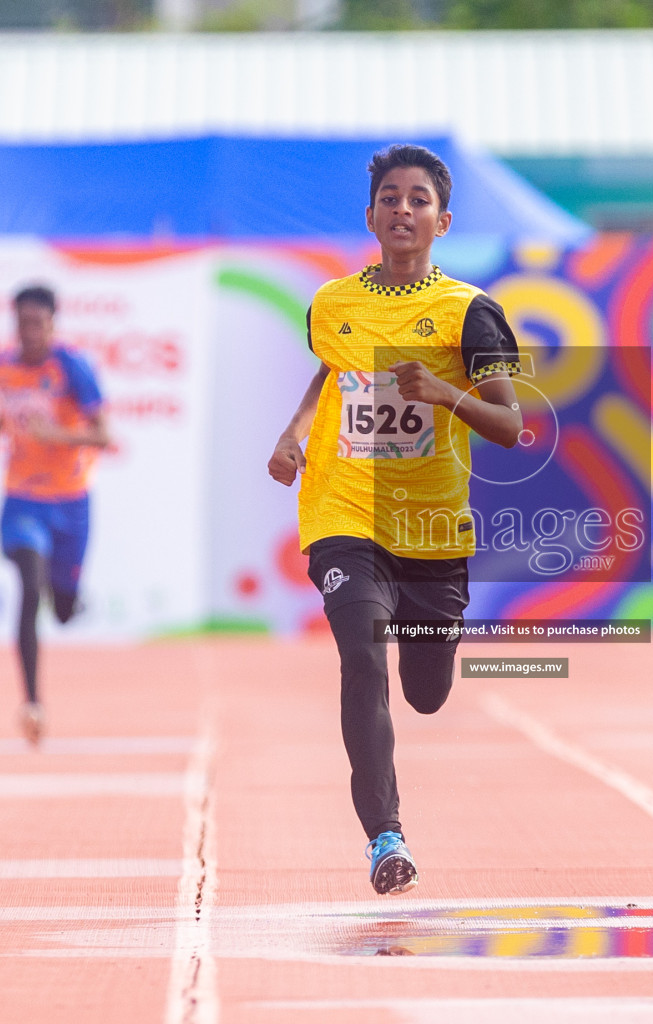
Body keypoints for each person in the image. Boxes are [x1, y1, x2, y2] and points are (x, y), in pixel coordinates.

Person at [268, 144, 523, 895]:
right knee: (361, 657)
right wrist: (293, 430)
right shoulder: (332, 303)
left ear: (442, 221)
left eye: (418, 200)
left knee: (426, 690)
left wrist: (443, 395)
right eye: (390, 197)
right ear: (371, 214)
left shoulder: (469, 312)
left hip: (433, 530)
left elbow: (509, 426)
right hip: (344, 511)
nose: (403, 209)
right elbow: (332, 369)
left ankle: (432, 652)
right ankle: (386, 836)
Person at [0, 285, 111, 746]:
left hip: (70, 502)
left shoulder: (73, 369)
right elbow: (4, 415)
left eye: (39, 323)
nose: (30, 332)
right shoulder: (1, 367)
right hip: (22, 499)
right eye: (22, 323)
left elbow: (103, 435)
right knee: (29, 587)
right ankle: (32, 701)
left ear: (53, 324)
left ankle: (71, 596)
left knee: (63, 609)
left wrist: (57, 436)